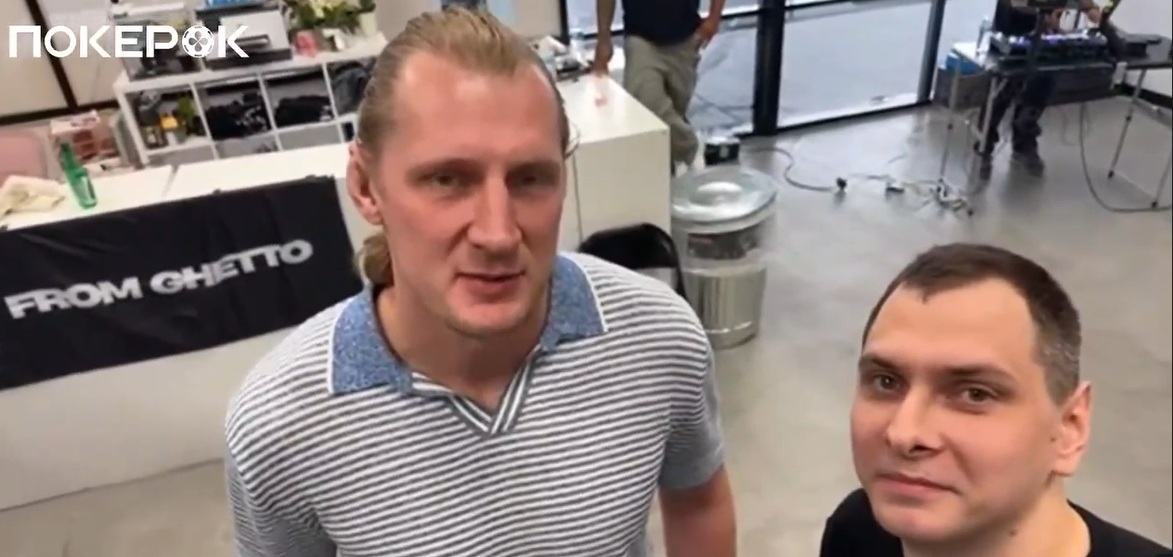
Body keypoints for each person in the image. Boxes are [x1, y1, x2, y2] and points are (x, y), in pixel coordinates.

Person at [224, 7, 736, 557]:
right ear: (366, 186)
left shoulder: (659, 338)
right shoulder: (280, 423)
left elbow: (699, 503)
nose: (498, 233)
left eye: (530, 178)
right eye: (447, 179)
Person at [819, 243, 1170, 557]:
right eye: (886, 382)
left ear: (1069, 428)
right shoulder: (860, 531)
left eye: (974, 394)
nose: (903, 433)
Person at [591, 0, 724, 174]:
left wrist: (714, 18)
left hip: (685, 38)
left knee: (672, 114)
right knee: (645, 101)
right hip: (641, 37)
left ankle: (670, 175)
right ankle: (690, 145)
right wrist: (603, 39)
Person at [977, 0, 1102, 180]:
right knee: (1004, 85)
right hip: (1013, 19)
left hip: (1044, 29)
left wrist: (1090, 8)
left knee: (1042, 82)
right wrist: (1041, 14)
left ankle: (1024, 141)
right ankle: (984, 145)